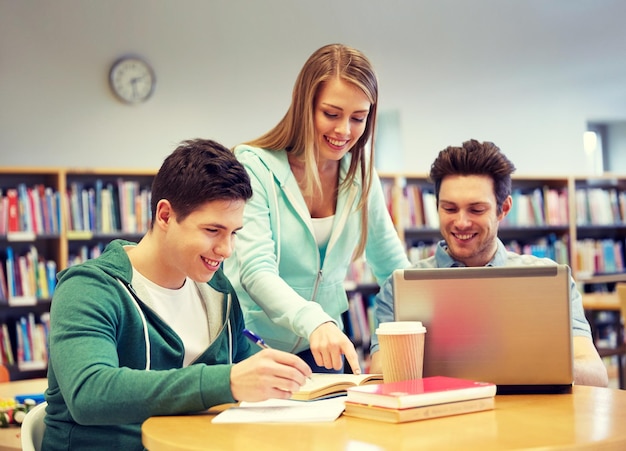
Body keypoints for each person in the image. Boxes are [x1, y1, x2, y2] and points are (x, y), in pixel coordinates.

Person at [43, 139, 312, 451]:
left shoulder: (216, 290)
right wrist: (227, 382)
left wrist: (280, 376)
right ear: (166, 215)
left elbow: (241, 361)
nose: (226, 250)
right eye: (212, 231)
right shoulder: (88, 288)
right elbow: (89, 393)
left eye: (233, 233)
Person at [224, 43, 411, 375]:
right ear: (304, 106)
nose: (344, 131)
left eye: (358, 118)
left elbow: (393, 268)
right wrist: (314, 321)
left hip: (323, 349)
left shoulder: (361, 173)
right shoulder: (254, 166)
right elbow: (255, 270)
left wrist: (427, 317)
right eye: (331, 114)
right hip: (253, 345)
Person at [370, 139, 609, 387]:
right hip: (438, 420)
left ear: (503, 208)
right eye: (450, 208)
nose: (461, 222)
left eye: (476, 209)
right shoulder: (399, 288)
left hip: (529, 418)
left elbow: (596, 376)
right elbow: (378, 374)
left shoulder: (548, 281)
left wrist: (524, 363)